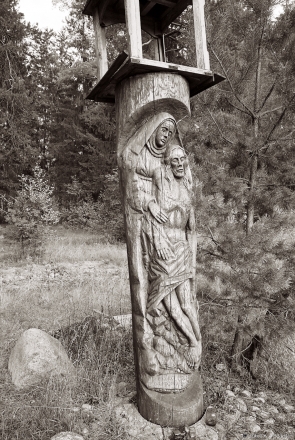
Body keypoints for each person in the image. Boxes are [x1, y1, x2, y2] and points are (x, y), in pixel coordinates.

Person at [141, 144, 201, 368]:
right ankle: (192, 342)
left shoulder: (187, 188)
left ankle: (197, 342)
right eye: (174, 160)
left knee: (187, 305)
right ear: (166, 163)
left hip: (182, 252)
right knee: (172, 308)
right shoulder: (159, 183)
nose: (179, 163)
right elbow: (135, 181)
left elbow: (191, 231)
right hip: (163, 254)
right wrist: (149, 204)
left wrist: (193, 261)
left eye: (182, 159)